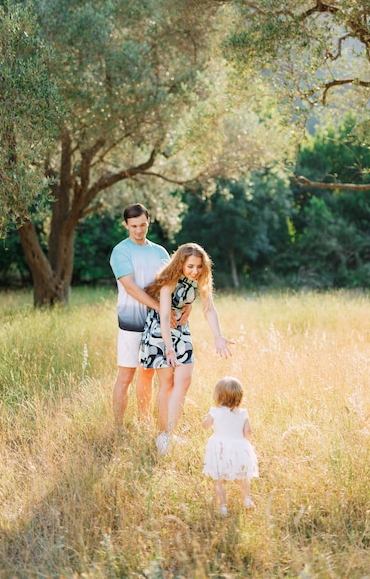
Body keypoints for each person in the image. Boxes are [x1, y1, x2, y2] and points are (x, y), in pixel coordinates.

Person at [139, 242, 234, 454]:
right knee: (167, 384)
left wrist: (218, 337)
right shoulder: (169, 280)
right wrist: (168, 347)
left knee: (184, 381)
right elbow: (164, 316)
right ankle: (163, 435)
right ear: (181, 263)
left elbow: (209, 308)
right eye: (190, 266)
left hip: (181, 330)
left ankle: (170, 434)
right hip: (160, 332)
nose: (195, 271)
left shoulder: (200, 280)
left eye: (199, 266)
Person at [109, 203, 189, 428]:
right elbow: (131, 288)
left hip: (156, 326)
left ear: (148, 221)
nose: (138, 230)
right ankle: (118, 428)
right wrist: (159, 307)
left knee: (148, 375)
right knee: (125, 377)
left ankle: (143, 422)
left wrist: (187, 305)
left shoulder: (160, 252)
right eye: (133, 226)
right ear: (126, 225)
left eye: (142, 225)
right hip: (131, 323)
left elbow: (173, 284)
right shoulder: (120, 251)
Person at [202, 376, 259, 517]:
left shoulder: (215, 411)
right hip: (239, 448)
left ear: (218, 395)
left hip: (220, 449)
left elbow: (205, 426)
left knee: (220, 479)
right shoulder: (243, 413)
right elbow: (248, 432)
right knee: (243, 476)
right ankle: (247, 499)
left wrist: (207, 417)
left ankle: (223, 507)